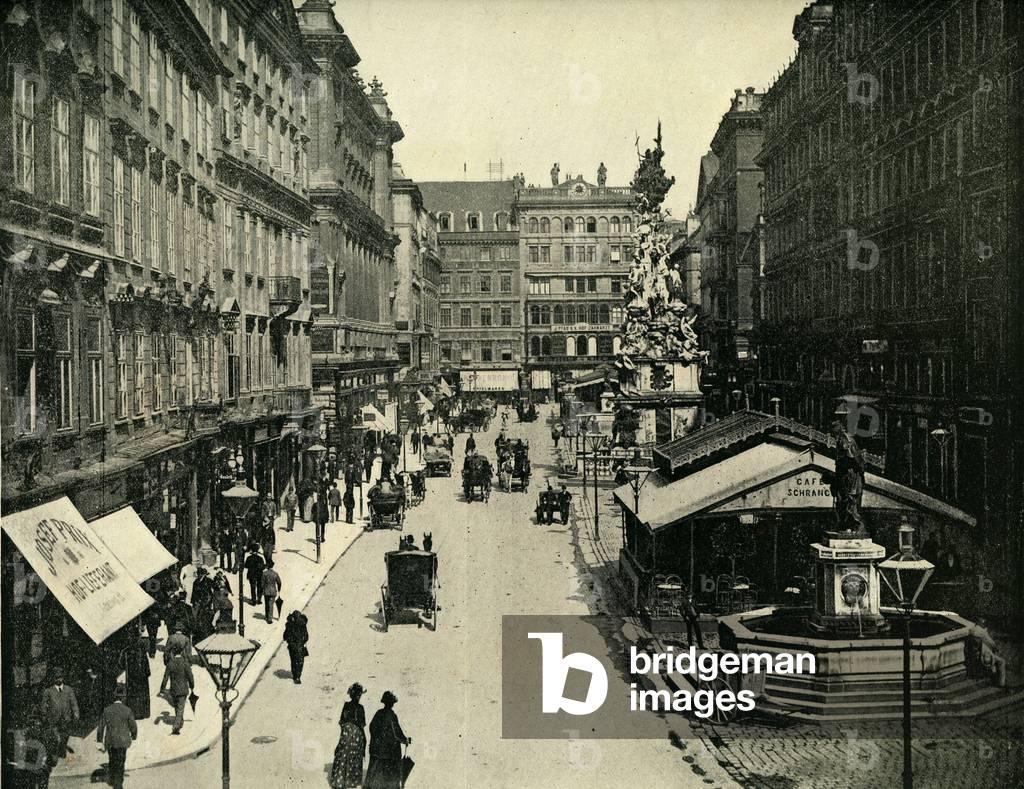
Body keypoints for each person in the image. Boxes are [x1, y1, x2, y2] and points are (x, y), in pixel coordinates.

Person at [364, 691, 410, 789]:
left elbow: (372, 727)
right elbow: (397, 732)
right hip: (389, 751)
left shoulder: (378, 713)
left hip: (377, 749)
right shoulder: (392, 715)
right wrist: (404, 740)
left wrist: (376, 740)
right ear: (392, 703)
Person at [96, 684, 137, 789]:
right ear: (123, 697)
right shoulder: (127, 710)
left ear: (114, 697)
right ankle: (118, 783)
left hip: (111, 740)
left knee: (112, 759)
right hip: (123, 741)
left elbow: (100, 727)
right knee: (121, 760)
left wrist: (99, 740)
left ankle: (113, 779)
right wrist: (134, 735)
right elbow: (133, 725)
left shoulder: (107, 710)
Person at [329, 683, 367, 788]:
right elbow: (361, 724)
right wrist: (364, 739)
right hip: (357, 735)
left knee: (343, 754)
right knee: (354, 756)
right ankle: (351, 781)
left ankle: (339, 780)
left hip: (346, 733)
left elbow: (342, 721)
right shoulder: (360, 708)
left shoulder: (346, 705)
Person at [42, 668, 79, 760]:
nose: (59, 679)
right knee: (56, 737)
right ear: (53, 679)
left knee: (65, 736)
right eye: (56, 678)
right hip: (53, 718)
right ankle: (54, 753)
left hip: (66, 717)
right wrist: (44, 715)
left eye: (60, 677)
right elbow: (44, 705)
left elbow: (74, 703)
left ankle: (62, 751)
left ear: (63, 678)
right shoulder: (48, 691)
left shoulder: (69, 689)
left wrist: (76, 713)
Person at [122, 625, 151, 720]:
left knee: (133, 694)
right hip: (142, 675)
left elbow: (121, 663)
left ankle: (134, 712)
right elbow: (145, 661)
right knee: (143, 693)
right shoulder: (142, 647)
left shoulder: (127, 649)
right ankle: (144, 712)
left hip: (131, 675)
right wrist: (147, 672)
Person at [165, 645, 193, 735]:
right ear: (181, 652)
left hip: (173, 689)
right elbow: (190, 676)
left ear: (173, 652)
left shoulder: (170, 663)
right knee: (180, 708)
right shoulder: (185, 663)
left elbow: (165, 677)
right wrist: (192, 685)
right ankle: (176, 726)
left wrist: (162, 688)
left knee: (177, 707)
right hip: (183, 689)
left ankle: (179, 722)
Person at [283, 610, 309, 684]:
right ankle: (297, 676)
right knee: (300, 662)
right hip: (300, 646)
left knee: (294, 661)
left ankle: (296, 676)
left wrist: (289, 641)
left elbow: (285, 635)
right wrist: (303, 642)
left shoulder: (290, 625)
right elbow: (306, 636)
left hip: (293, 647)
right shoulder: (302, 624)